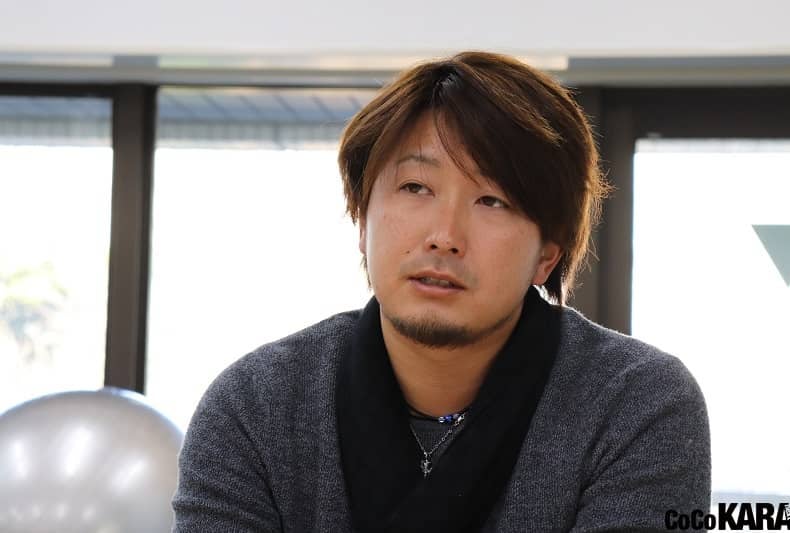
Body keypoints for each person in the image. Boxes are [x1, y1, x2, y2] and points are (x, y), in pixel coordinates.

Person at [172, 51, 711, 532]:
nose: (445, 236)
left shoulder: (634, 404)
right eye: (415, 187)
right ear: (362, 220)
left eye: (493, 200)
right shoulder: (256, 405)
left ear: (548, 253)